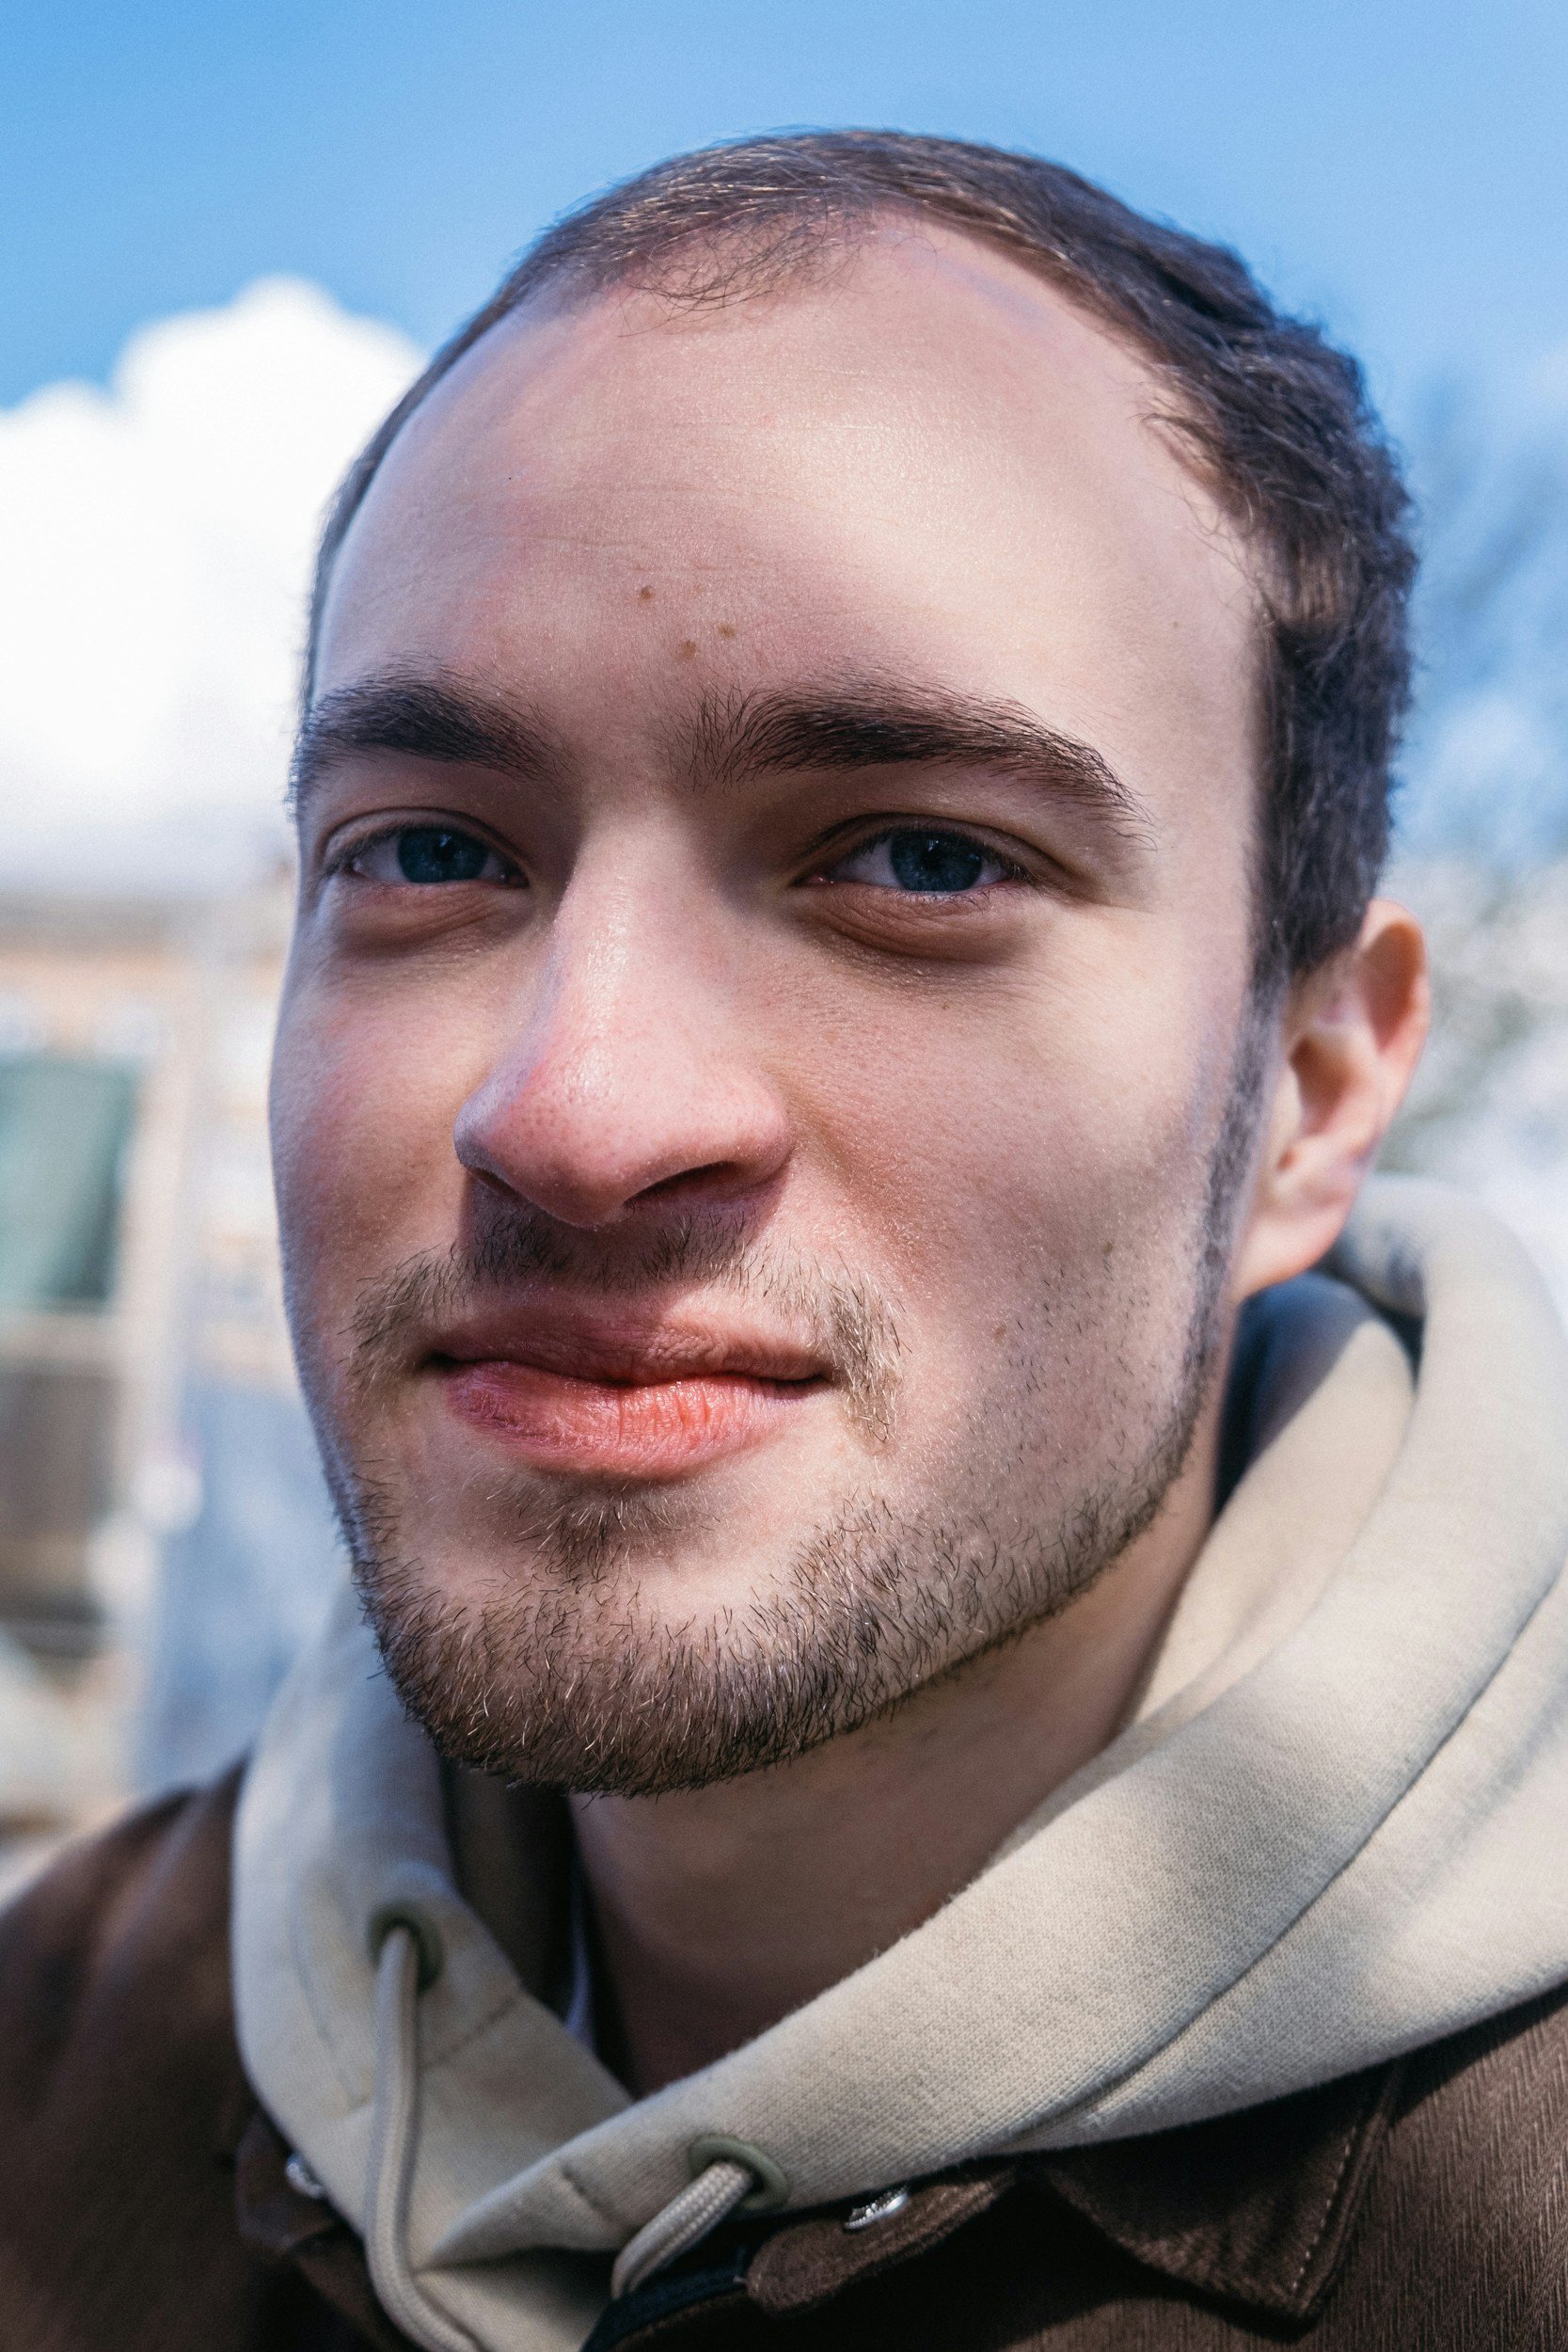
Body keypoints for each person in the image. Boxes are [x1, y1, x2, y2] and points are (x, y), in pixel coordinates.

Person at [5, 132, 1566, 2352]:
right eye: (431, 844)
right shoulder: (50, 2078)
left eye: (921, 860)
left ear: (1312, 1091)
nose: (572, 1109)